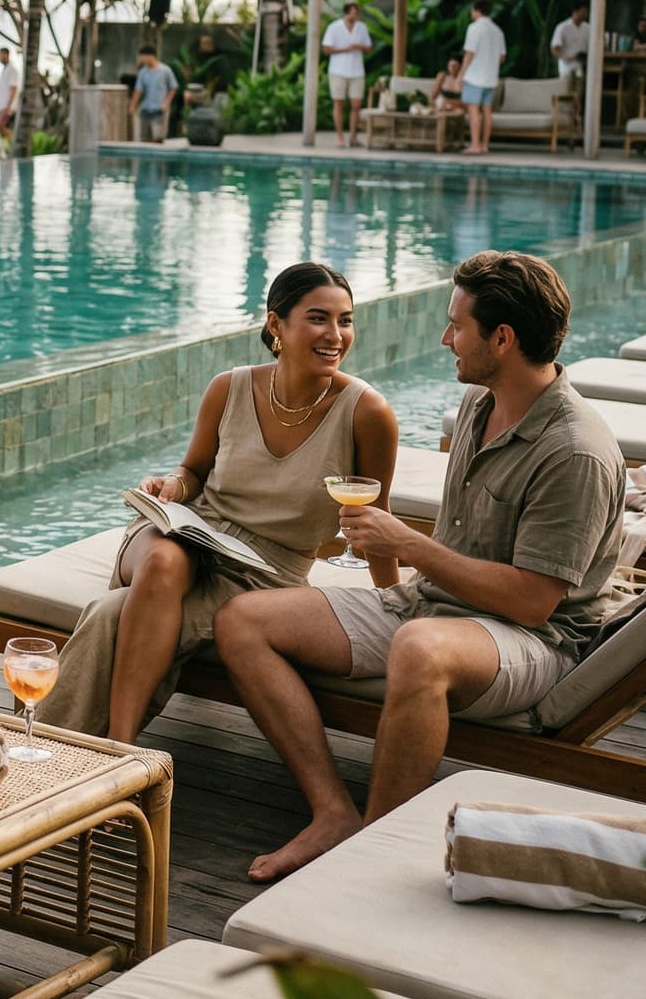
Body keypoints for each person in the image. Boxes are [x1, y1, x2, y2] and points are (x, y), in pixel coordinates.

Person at [216, 251, 624, 883]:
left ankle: (368, 858)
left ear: (503, 338)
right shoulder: (479, 408)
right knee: (244, 619)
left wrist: (407, 544)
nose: (444, 339)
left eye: (456, 326)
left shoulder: (574, 451)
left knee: (420, 649)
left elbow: (534, 603)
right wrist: (400, 571)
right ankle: (333, 814)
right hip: (431, 606)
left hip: (534, 641)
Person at [37, 264, 398, 742]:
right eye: (318, 319)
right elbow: (193, 473)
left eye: (346, 320)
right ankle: (122, 748)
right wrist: (171, 487)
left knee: (111, 615)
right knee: (166, 559)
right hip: (189, 532)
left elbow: (378, 520)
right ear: (276, 326)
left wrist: (394, 607)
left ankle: (51, 750)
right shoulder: (229, 387)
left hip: (264, 572)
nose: (335, 335)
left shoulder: (367, 412)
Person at [460, 2, 507, 155]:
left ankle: (475, 145)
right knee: (487, 111)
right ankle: (485, 145)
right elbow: (502, 57)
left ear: (476, 11)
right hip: (491, 78)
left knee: (474, 111)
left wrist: (461, 74)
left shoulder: (474, 28)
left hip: (474, 77)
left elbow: (469, 53)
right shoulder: (498, 31)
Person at [322, 3, 372, 149]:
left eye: (357, 13)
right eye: (353, 13)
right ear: (346, 13)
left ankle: (353, 137)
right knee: (339, 104)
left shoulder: (361, 28)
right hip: (338, 71)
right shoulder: (334, 27)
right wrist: (346, 49)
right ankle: (340, 138)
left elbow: (368, 47)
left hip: (357, 71)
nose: (355, 16)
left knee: (356, 105)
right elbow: (326, 49)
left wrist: (359, 47)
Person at [129, 46, 178, 143]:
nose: (141, 60)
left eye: (142, 57)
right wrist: (132, 105)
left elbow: (173, 87)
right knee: (144, 138)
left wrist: (166, 103)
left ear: (150, 56)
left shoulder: (165, 70)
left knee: (158, 138)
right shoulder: (142, 72)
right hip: (145, 109)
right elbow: (138, 90)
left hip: (159, 109)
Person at [549, 4, 589, 92]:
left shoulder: (587, 28)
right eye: (582, 12)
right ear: (575, 12)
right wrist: (564, 57)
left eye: (586, 12)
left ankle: (577, 104)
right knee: (566, 89)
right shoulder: (563, 27)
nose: (584, 15)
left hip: (581, 64)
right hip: (567, 65)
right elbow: (555, 48)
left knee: (579, 90)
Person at [0, 46, 20, 142]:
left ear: (6, 55)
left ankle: (13, 142)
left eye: (1, 55)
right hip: (2, 104)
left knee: (0, 126)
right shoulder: (5, 69)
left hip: (6, 104)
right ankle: (9, 144)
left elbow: (13, 89)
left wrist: (9, 106)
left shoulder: (12, 70)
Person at [430, 50, 467, 115]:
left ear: (460, 67)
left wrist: (451, 105)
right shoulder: (442, 76)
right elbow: (432, 97)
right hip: (441, 107)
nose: (452, 69)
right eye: (450, 66)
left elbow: (467, 103)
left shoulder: (464, 80)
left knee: (459, 112)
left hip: (457, 109)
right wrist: (436, 106)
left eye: (454, 66)